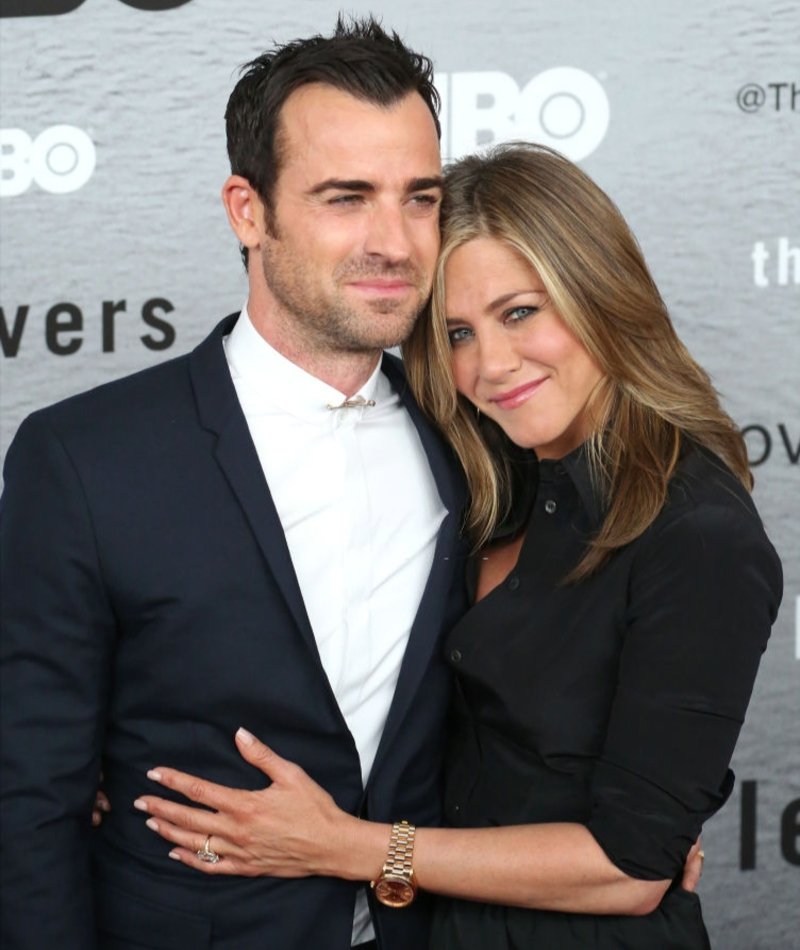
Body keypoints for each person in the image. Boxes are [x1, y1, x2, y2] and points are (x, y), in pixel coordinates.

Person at [132, 144, 782, 949]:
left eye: (520, 313)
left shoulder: (698, 534)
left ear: (599, 291)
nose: (491, 365)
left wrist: (348, 847)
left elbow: (629, 868)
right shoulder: (475, 480)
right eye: (457, 333)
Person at [0, 18, 470, 950]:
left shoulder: (479, 436)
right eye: (346, 198)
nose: (395, 240)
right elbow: (29, 802)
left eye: (420, 198)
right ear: (248, 211)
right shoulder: (85, 458)